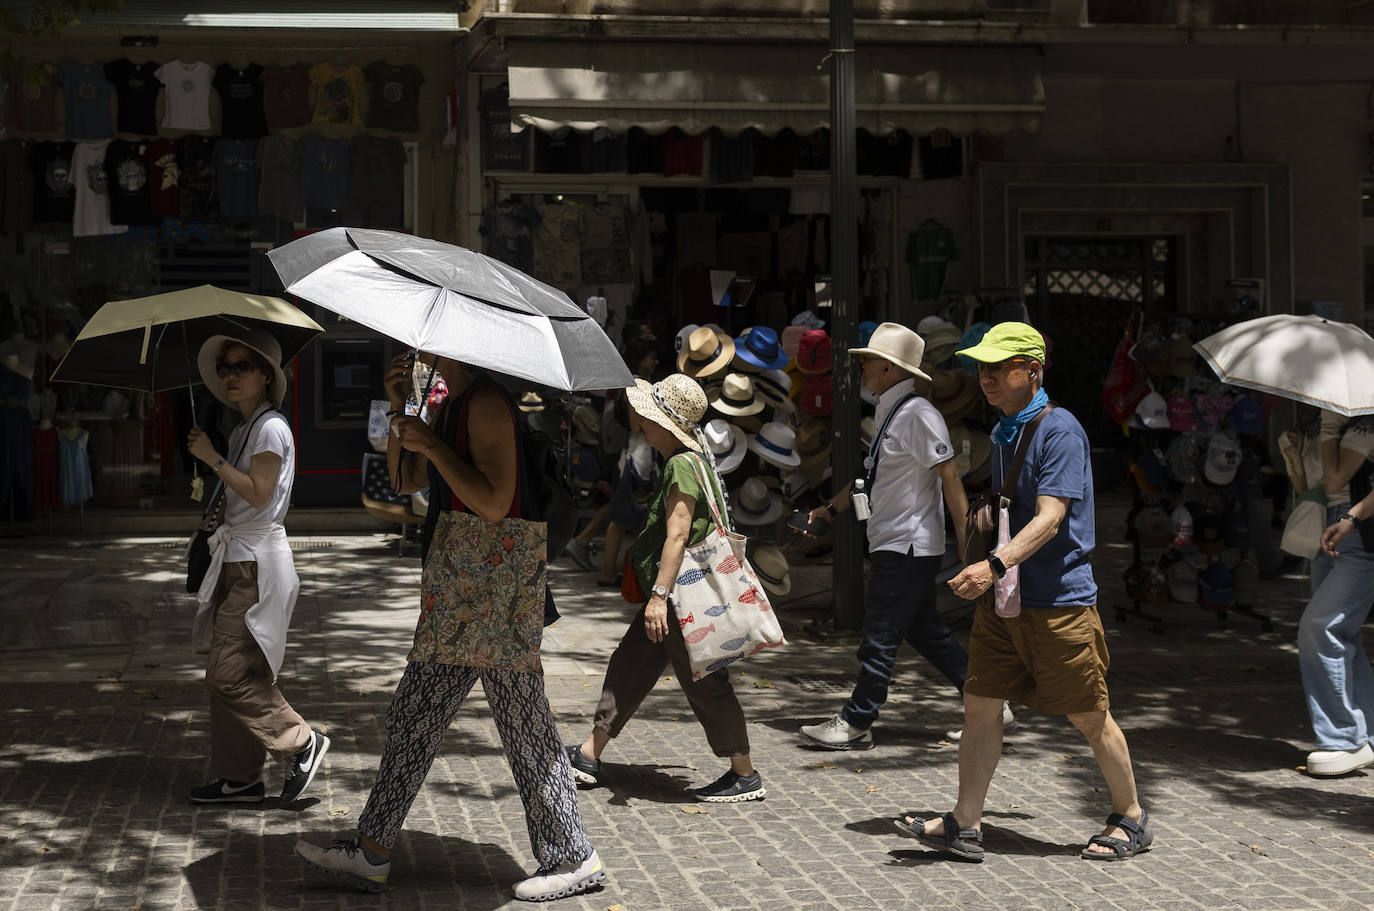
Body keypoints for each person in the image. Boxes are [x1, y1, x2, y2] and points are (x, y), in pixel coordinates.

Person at [295, 351, 603, 901]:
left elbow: (493, 503)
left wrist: (433, 443)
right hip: (466, 595)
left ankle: (571, 855)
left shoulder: (483, 404)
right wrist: (400, 410)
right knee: (423, 717)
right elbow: (406, 479)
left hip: (487, 595)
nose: (413, 350)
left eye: (424, 344)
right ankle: (373, 849)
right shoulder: (452, 403)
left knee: (502, 726)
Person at [897, 322, 1152, 862]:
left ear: (1032, 371)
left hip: (1058, 602)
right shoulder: (1007, 426)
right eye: (982, 367)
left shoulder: (1060, 431)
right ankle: (966, 822)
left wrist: (994, 564)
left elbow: (1051, 517)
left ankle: (1130, 816)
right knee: (980, 705)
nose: (985, 377)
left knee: (1088, 713)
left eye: (998, 367)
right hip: (1005, 600)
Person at [795, 322, 997, 750]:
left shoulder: (918, 414)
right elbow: (870, 479)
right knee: (927, 633)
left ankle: (857, 721)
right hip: (899, 542)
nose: (862, 367)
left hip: (906, 544)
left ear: (888, 369)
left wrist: (967, 546)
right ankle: (992, 706)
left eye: (868, 360)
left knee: (880, 636)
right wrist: (828, 510)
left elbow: (951, 480)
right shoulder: (893, 410)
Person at [565, 373, 766, 802]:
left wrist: (658, 597)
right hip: (679, 594)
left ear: (663, 423)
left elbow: (677, 535)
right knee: (631, 665)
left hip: (678, 596)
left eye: (647, 415)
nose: (640, 420)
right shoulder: (694, 460)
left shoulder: (680, 464)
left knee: (706, 681)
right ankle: (588, 753)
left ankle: (744, 774)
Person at [185, 330, 328, 805]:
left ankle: (300, 741)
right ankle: (239, 777)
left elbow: (260, 493)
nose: (230, 376)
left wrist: (212, 458)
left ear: (266, 375)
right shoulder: (245, 426)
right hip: (238, 561)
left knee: (227, 673)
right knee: (236, 671)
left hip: (256, 567)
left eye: (241, 367)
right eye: (224, 368)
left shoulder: (270, 427)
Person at [1286, 412, 1374, 776]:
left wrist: (1328, 429)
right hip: (1327, 527)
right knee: (1342, 632)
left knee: (1320, 626)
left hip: (1358, 532)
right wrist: (1293, 455)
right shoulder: (1320, 428)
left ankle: (1344, 739)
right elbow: (1311, 485)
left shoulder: (1362, 426)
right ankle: (1365, 734)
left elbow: (1339, 477)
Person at [565, 337, 660, 583]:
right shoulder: (636, 385)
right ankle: (609, 569)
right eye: (651, 356)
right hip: (636, 458)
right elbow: (635, 424)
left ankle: (599, 556)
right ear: (641, 360)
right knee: (622, 515)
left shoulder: (633, 382)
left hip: (633, 455)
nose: (655, 361)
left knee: (621, 513)